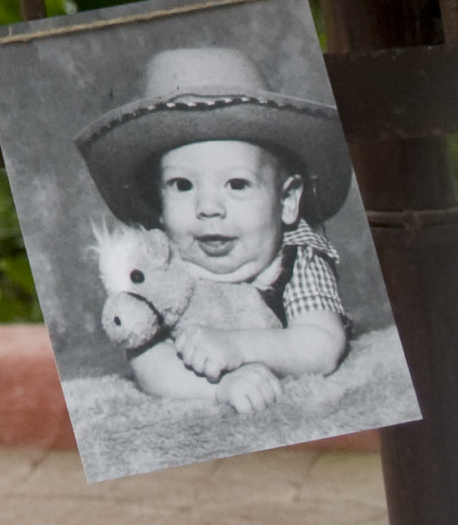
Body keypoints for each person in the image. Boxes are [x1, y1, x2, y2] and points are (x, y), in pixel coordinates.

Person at [77, 39, 353, 416]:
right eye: (183, 185)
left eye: (237, 185)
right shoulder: (159, 265)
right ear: (158, 201)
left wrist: (237, 346)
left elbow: (322, 345)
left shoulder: (299, 255)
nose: (207, 208)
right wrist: (220, 389)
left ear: (287, 201)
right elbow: (148, 364)